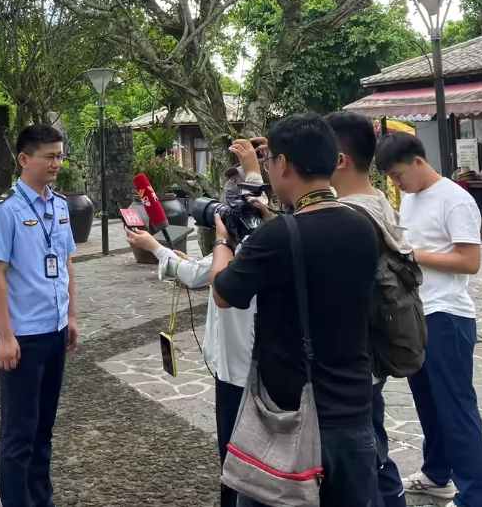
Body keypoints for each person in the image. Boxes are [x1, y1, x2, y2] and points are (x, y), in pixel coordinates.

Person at [210, 113, 380, 507]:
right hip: (353, 412)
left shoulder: (277, 236)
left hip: (292, 419)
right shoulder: (361, 226)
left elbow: (223, 292)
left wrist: (222, 241)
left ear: (284, 164)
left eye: (270, 161)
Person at [126, 145, 266, 507]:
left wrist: (154, 246)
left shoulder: (245, 245)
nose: (226, 207)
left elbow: (195, 275)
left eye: (234, 199)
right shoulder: (268, 236)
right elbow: (202, 270)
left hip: (238, 369)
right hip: (259, 366)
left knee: (235, 451)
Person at [374, 134, 482, 507]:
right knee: (428, 403)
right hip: (416, 314)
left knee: (456, 408)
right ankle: (437, 475)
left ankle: (473, 497)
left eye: (398, 174)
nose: (397, 184)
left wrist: (412, 254)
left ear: (418, 162)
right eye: (391, 178)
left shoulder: (455, 199)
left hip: (447, 316)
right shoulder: (410, 197)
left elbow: (470, 261)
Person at [0, 124, 80, 507]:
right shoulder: (4, 209)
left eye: (60, 155)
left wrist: (71, 316)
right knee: (18, 435)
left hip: (55, 330)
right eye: (49, 156)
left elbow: (67, 262)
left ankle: (42, 501)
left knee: (43, 430)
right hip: (23, 336)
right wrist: (5, 336)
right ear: (25, 159)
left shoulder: (59, 205)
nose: (57, 163)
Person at [325, 112, 411, 507]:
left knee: (367, 456)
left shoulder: (347, 216)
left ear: (339, 160)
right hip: (375, 350)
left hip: (355, 358)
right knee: (375, 442)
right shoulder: (377, 201)